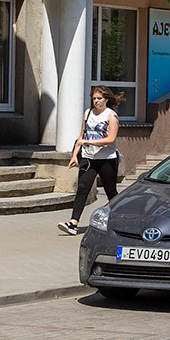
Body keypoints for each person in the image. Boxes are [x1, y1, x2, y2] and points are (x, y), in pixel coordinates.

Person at [58, 86, 123, 235]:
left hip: (107, 159)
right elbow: (82, 136)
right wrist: (74, 155)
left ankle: (121, 218)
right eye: (94, 98)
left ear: (106, 99)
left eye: (99, 98)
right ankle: (73, 224)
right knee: (82, 188)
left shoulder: (111, 116)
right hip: (88, 158)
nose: (96, 101)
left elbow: (110, 139)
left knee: (110, 191)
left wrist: (89, 142)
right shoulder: (88, 113)